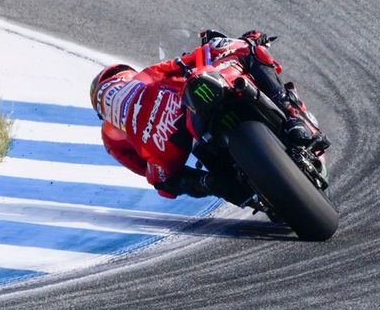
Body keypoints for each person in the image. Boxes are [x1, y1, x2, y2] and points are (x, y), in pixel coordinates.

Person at [89, 30, 326, 203]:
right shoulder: (147, 75)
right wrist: (247, 39)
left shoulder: (110, 136)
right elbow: (192, 59)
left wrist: (193, 181)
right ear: (124, 74)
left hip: (169, 145)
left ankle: (219, 185)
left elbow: (150, 176)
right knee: (249, 51)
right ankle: (292, 113)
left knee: (169, 181)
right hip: (189, 107)